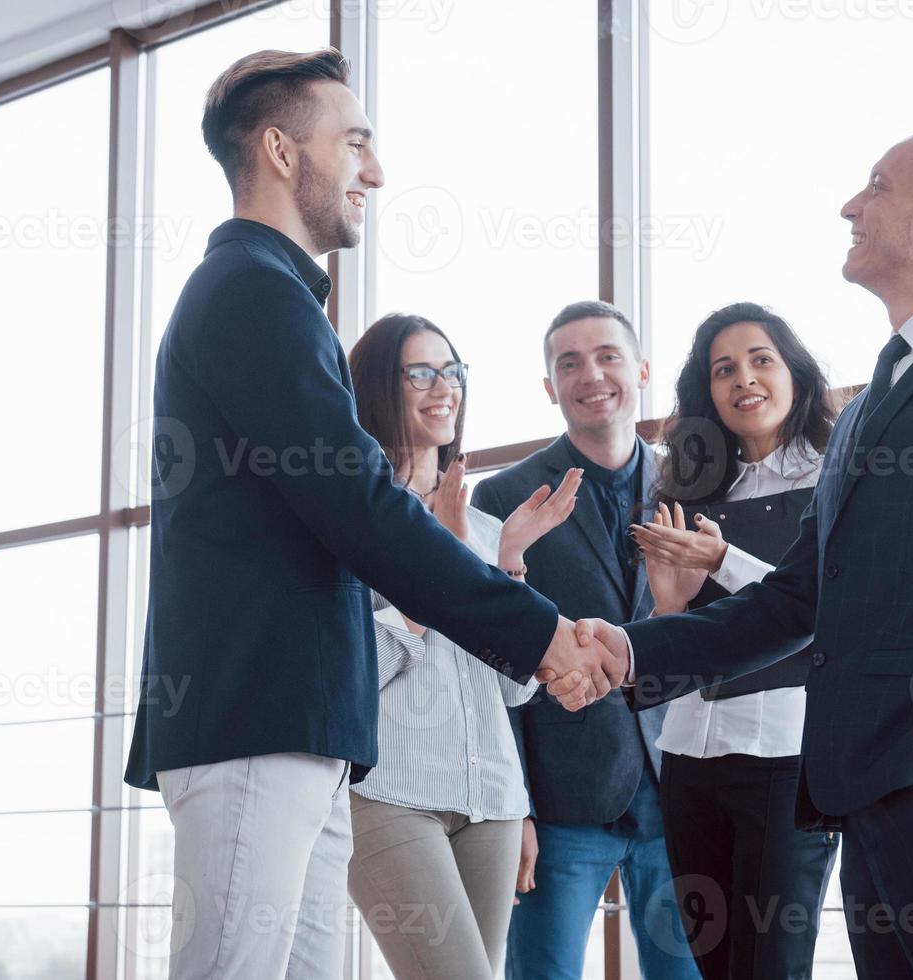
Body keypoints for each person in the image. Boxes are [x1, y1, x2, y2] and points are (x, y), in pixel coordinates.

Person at [566, 132, 913, 978]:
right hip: (862, 794)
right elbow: (793, 603)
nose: (849, 206)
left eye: (875, 186)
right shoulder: (867, 408)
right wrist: (633, 646)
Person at [122, 49, 621, 980]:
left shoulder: (269, 296)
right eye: (354, 143)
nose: (376, 172)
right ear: (278, 149)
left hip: (300, 729)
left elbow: (343, 522)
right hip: (253, 720)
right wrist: (540, 633)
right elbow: (360, 507)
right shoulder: (250, 293)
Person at [344, 312, 582, 980]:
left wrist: (505, 565)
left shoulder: (481, 526)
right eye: (420, 371)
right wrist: (443, 571)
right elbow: (351, 670)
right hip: (388, 793)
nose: (441, 386)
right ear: (376, 387)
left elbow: (512, 688)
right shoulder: (349, 520)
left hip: (493, 804)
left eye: (451, 371)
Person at [473, 301, 700, 980]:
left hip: (679, 791)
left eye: (606, 356)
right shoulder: (504, 498)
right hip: (560, 800)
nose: (589, 374)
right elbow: (487, 668)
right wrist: (512, 807)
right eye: (567, 362)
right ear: (549, 386)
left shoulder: (692, 486)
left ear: (640, 370)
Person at [632, 302, 839, 979]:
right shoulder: (687, 489)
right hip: (689, 754)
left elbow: (825, 614)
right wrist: (667, 607)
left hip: (786, 756)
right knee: (712, 964)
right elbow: (676, 644)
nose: (742, 379)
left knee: (772, 965)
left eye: (760, 360)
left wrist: (721, 560)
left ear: (794, 374)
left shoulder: (835, 477)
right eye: (723, 369)